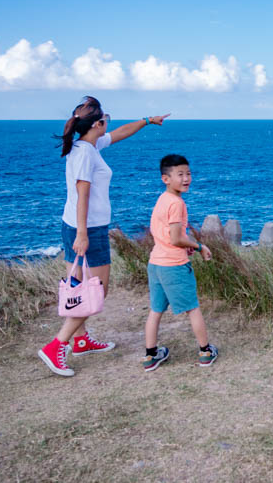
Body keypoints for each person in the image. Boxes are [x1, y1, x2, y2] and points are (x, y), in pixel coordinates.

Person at [38, 96, 170, 377]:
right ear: (96, 124)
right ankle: (57, 345)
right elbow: (83, 192)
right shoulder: (86, 152)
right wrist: (84, 234)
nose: (108, 123)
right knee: (97, 291)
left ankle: (81, 341)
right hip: (87, 229)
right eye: (105, 119)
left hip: (71, 223)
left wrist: (147, 121)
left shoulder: (84, 144)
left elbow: (119, 134)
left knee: (78, 287)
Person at [142, 154, 218, 372]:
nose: (186, 178)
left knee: (155, 310)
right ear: (166, 178)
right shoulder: (176, 203)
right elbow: (176, 237)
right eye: (180, 174)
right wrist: (198, 246)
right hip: (173, 265)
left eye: (189, 173)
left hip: (156, 262)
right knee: (193, 309)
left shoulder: (162, 199)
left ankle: (150, 355)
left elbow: (166, 235)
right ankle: (205, 351)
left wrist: (183, 244)